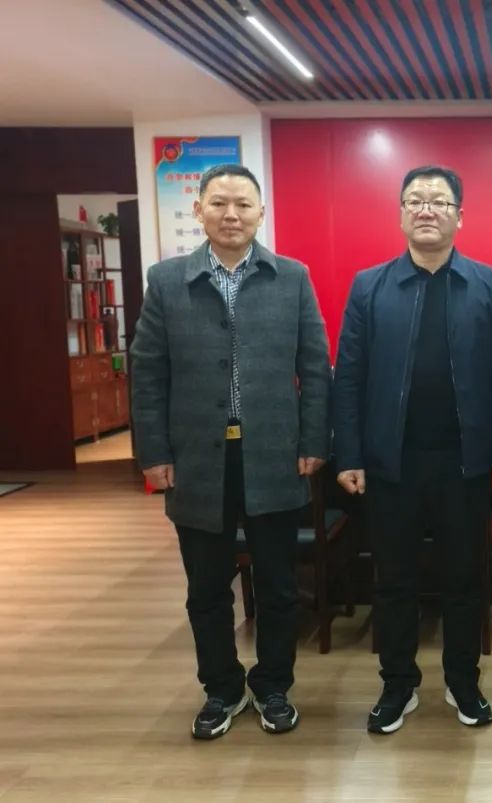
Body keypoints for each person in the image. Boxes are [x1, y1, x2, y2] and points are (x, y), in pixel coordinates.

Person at [131, 163, 331, 740]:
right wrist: (153, 452)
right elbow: (148, 373)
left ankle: (273, 686)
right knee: (206, 588)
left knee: (278, 585)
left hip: (274, 454)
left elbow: (315, 367)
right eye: (218, 203)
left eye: (243, 204)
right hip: (197, 460)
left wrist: (314, 441)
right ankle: (221, 688)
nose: (231, 214)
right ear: (198, 211)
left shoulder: (292, 277)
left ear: (261, 213)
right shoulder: (167, 281)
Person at [333, 165, 492, 734]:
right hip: (391, 463)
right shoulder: (370, 286)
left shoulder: (488, 285)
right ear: (400, 215)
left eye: (439, 201)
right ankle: (398, 685)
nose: (426, 209)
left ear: (459, 217)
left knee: (464, 579)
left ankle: (464, 682)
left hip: (464, 462)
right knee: (393, 581)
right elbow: (349, 378)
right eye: (415, 200)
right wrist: (350, 455)